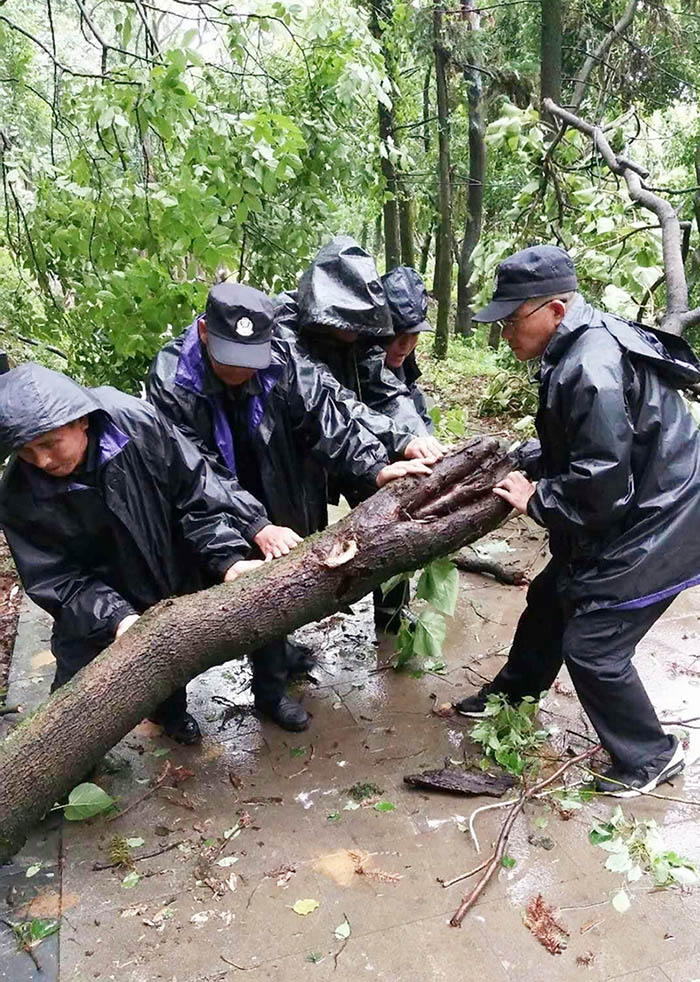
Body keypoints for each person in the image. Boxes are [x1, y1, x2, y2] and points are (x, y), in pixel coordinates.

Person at [455, 244, 700, 796]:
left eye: (513, 321)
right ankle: (512, 697)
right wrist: (524, 459)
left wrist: (537, 501)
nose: (506, 335)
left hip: (663, 521)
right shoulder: (576, 348)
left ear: (556, 311)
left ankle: (652, 756)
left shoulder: (591, 365)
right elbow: (584, 447)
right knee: (551, 598)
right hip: (638, 503)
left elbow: (602, 487)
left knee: (594, 647)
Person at [147, 281, 435, 712]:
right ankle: (167, 709)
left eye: (252, 360)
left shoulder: (279, 353)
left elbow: (326, 410)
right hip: (197, 499)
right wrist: (253, 523)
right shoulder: (172, 379)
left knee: (273, 577)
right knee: (182, 591)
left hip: (265, 470)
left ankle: (271, 690)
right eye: (231, 360)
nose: (242, 370)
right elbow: (195, 467)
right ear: (205, 332)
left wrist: (376, 464)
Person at [0, 363, 266, 744]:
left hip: (167, 564)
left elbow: (195, 494)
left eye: (48, 444)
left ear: (82, 422)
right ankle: (78, 761)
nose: (41, 461)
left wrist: (228, 558)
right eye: (25, 452)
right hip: (95, 601)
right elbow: (56, 579)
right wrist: (117, 618)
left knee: (170, 651)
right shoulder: (17, 495)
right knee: (75, 696)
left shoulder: (136, 423)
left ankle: (173, 715)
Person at [275, 236, 444, 631]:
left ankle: (389, 615)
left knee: (389, 515)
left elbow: (388, 390)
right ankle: (286, 641)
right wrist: (395, 444)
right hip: (306, 447)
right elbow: (324, 401)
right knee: (295, 537)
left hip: (356, 441)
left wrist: (417, 438)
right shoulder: (288, 331)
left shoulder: (361, 331)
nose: (402, 346)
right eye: (396, 336)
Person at [380, 265, 435, 433]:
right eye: (398, 334)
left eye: (414, 335)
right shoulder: (356, 364)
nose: (405, 346)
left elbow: (418, 410)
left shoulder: (404, 365)